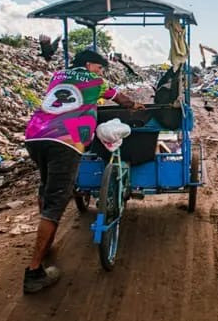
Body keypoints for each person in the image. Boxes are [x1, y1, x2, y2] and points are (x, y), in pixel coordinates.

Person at [22, 49, 142, 293]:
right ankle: (34, 272)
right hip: (65, 140)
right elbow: (121, 100)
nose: (101, 71)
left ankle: (47, 243)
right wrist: (135, 106)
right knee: (56, 202)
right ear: (89, 64)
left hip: (35, 136)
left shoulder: (57, 76)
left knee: (45, 186)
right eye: (99, 67)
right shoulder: (97, 81)